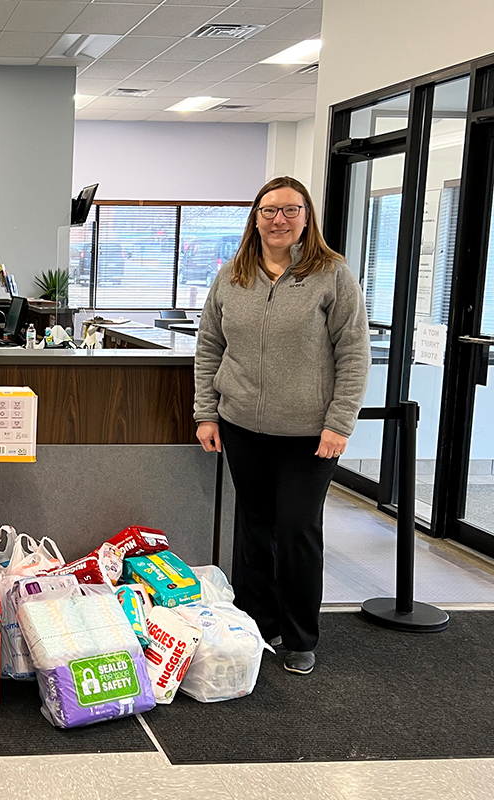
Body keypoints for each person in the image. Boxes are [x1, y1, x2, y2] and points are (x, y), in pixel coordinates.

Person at [194, 176, 370, 677]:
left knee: (297, 530)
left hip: (309, 435)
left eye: (290, 210)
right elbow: (210, 347)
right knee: (254, 528)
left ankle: (298, 635)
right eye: (269, 210)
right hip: (242, 425)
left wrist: (340, 423)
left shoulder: (331, 274)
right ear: (255, 217)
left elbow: (354, 354)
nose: (279, 219)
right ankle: (255, 621)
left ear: (306, 217)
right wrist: (206, 412)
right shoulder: (233, 275)